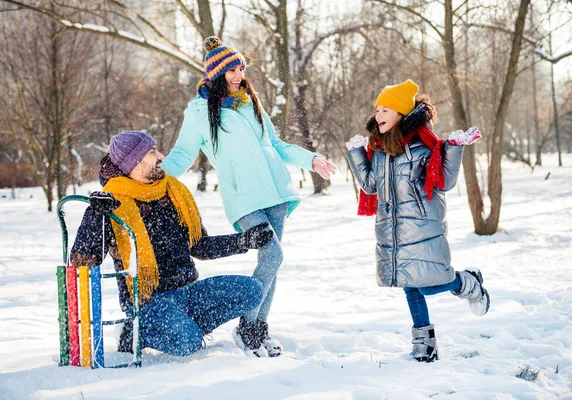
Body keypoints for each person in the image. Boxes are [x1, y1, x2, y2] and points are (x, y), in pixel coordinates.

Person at [162, 37, 336, 357]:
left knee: (271, 262)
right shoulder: (201, 112)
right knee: (273, 256)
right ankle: (247, 328)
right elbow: (183, 153)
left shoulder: (249, 102)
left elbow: (277, 145)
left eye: (241, 68)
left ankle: (257, 329)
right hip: (244, 199)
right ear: (216, 74)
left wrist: (310, 160)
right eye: (232, 69)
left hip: (276, 193)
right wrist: (155, 174)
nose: (239, 74)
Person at [70, 130, 275, 357]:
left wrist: (242, 241)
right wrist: (95, 216)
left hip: (188, 292)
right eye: (152, 152)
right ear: (134, 163)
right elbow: (83, 262)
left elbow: (199, 246)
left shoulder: (173, 192)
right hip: (148, 302)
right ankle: (134, 332)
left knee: (252, 291)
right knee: (188, 343)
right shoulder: (113, 203)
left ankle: (186, 327)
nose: (161, 156)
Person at [345, 80, 490, 363]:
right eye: (377, 109)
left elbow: (445, 181)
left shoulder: (423, 148)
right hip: (392, 229)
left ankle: (468, 283)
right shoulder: (379, 150)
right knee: (410, 286)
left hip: (422, 227)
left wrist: (454, 147)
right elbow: (370, 185)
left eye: (385, 109)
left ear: (400, 113)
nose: (379, 115)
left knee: (427, 284)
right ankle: (425, 346)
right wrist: (356, 155)